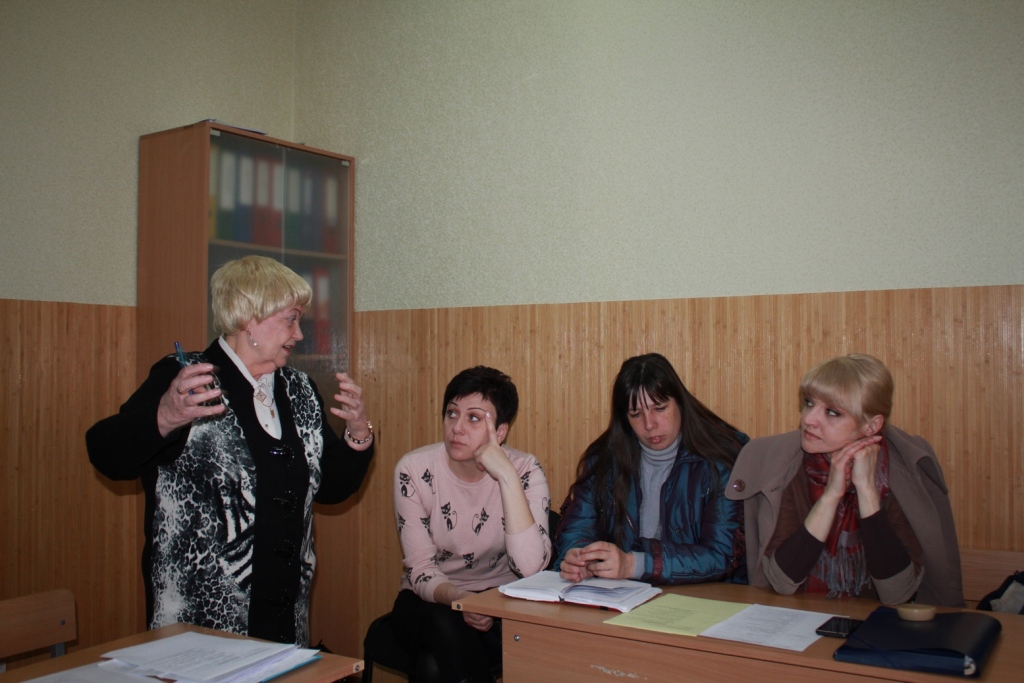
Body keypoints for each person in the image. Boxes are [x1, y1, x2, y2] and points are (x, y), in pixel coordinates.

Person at [86, 255, 375, 645]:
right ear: (248, 317)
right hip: (199, 629)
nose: (299, 334)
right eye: (290, 320)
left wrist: (358, 435)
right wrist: (166, 415)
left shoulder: (299, 389)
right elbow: (106, 453)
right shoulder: (187, 378)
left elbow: (331, 489)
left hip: (286, 621)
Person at [726, 353, 964, 606]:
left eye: (832, 412)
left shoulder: (900, 473)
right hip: (797, 614)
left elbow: (897, 593)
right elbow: (782, 582)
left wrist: (867, 491)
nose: (808, 419)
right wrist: (830, 496)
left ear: (871, 426)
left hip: (878, 623)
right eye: (809, 403)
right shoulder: (785, 465)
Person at [391, 366, 551, 683]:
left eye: (473, 418)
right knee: (444, 624)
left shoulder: (525, 470)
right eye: (452, 413)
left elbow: (531, 568)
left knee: (433, 668)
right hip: (431, 599)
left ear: (500, 432)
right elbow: (420, 569)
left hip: (499, 603)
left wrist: (506, 476)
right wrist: (460, 599)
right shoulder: (414, 470)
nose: (457, 428)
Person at [556, 353, 748, 586]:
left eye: (659, 408)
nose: (649, 424)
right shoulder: (603, 460)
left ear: (680, 403)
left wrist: (634, 565)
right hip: (625, 595)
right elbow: (578, 527)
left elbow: (720, 555)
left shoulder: (723, 458)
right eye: (636, 414)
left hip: (708, 595)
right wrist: (580, 557)